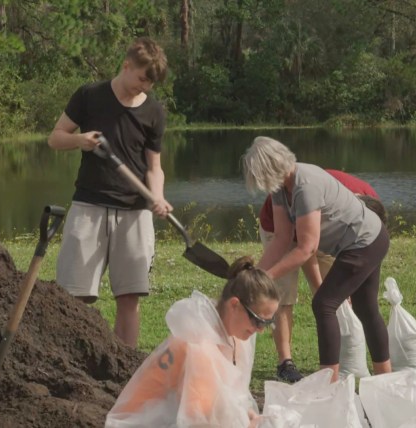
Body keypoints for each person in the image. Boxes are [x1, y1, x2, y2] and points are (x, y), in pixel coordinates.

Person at [48, 37, 172, 347]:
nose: (145, 87)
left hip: (135, 212)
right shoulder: (89, 95)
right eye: (142, 78)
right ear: (126, 65)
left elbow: (154, 167)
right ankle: (70, 363)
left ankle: (124, 369)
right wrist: (81, 140)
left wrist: (157, 194)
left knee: (130, 297)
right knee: (74, 296)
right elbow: (56, 138)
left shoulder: (154, 111)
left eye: (151, 83)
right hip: (89, 206)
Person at [243, 136, 392, 383]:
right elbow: (281, 239)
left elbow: (307, 248)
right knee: (366, 308)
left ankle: (330, 384)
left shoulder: (305, 184)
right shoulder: (282, 188)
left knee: (324, 304)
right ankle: (384, 380)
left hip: (367, 241)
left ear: (270, 168)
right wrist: (255, 274)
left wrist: (266, 277)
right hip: (358, 243)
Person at [105, 256, 279, 427]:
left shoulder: (236, 337)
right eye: (258, 320)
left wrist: (244, 414)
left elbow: (230, 399)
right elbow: (197, 421)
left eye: (268, 323)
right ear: (235, 305)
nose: (261, 329)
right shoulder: (199, 345)